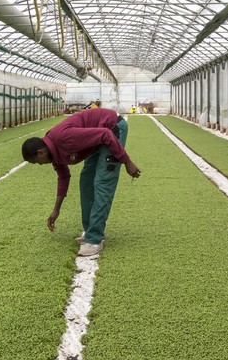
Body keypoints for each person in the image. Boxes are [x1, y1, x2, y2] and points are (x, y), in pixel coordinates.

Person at [21, 108, 141, 256]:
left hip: (112, 127)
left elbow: (105, 134)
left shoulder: (63, 138)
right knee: (86, 181)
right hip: (98, 137)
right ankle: (90, 230)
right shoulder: (53, 151)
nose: (40, 165)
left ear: (40, 152)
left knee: (103, 182)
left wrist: (127, 162)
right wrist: (56, 210)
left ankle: (94, 239)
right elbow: (63, 177)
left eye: (37, 162)